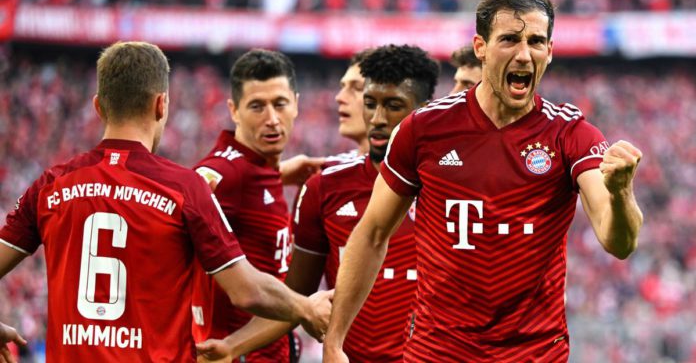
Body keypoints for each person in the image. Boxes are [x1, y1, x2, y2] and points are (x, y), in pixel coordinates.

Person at [324, 0, 643, 363]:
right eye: (510, 39)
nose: (525, 54)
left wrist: (621, 193)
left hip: (533, 354)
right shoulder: (424, 129)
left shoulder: (570, 134)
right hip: (438, 352)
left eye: (536, 42)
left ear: (551, 51)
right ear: (481, 48)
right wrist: (334, 340)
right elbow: (372, 233)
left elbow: (617, 241)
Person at [0, 41, 331, 363]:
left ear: (98, 106)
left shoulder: (50, 185)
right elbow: (247, 291)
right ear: (162, 105)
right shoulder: (182, 189)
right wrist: (305, 307)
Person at [196, 45, 440, 362]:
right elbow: (296, 297)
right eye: (370, 104)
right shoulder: (324, 188)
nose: (377, 119)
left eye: (393, 106)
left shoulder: (454, 187)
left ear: (424, 109)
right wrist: (233, 346)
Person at [191, 49, 316, 362]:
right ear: (234, 110)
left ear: (296, 104)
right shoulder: (225, 173)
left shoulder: (261, 168)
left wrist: (280, 172)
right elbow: (193, 191)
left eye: (280, 104)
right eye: (257, 106)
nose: (272, 119)